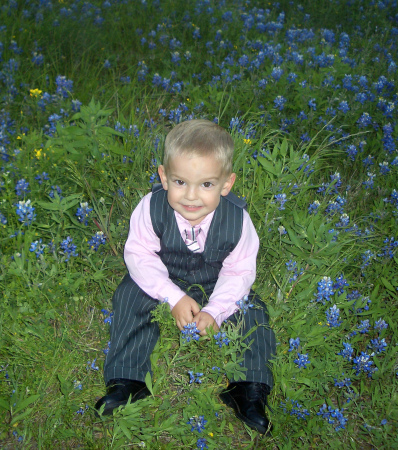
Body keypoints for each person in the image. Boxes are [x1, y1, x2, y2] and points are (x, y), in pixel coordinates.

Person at [95, 119, 276, 434]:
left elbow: (240, 270)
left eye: (206, 184)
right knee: (128, 295)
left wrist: (216, 309)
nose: (191, 196)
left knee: (253, 311)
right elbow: (139, 256)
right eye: (180, 182)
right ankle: (129, 380)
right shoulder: (150, 208)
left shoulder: (238, 220)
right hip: (163, 278)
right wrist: (173, 297)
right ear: (164, 177)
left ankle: (248, 390)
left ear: (226, 184)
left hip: (216, 282)